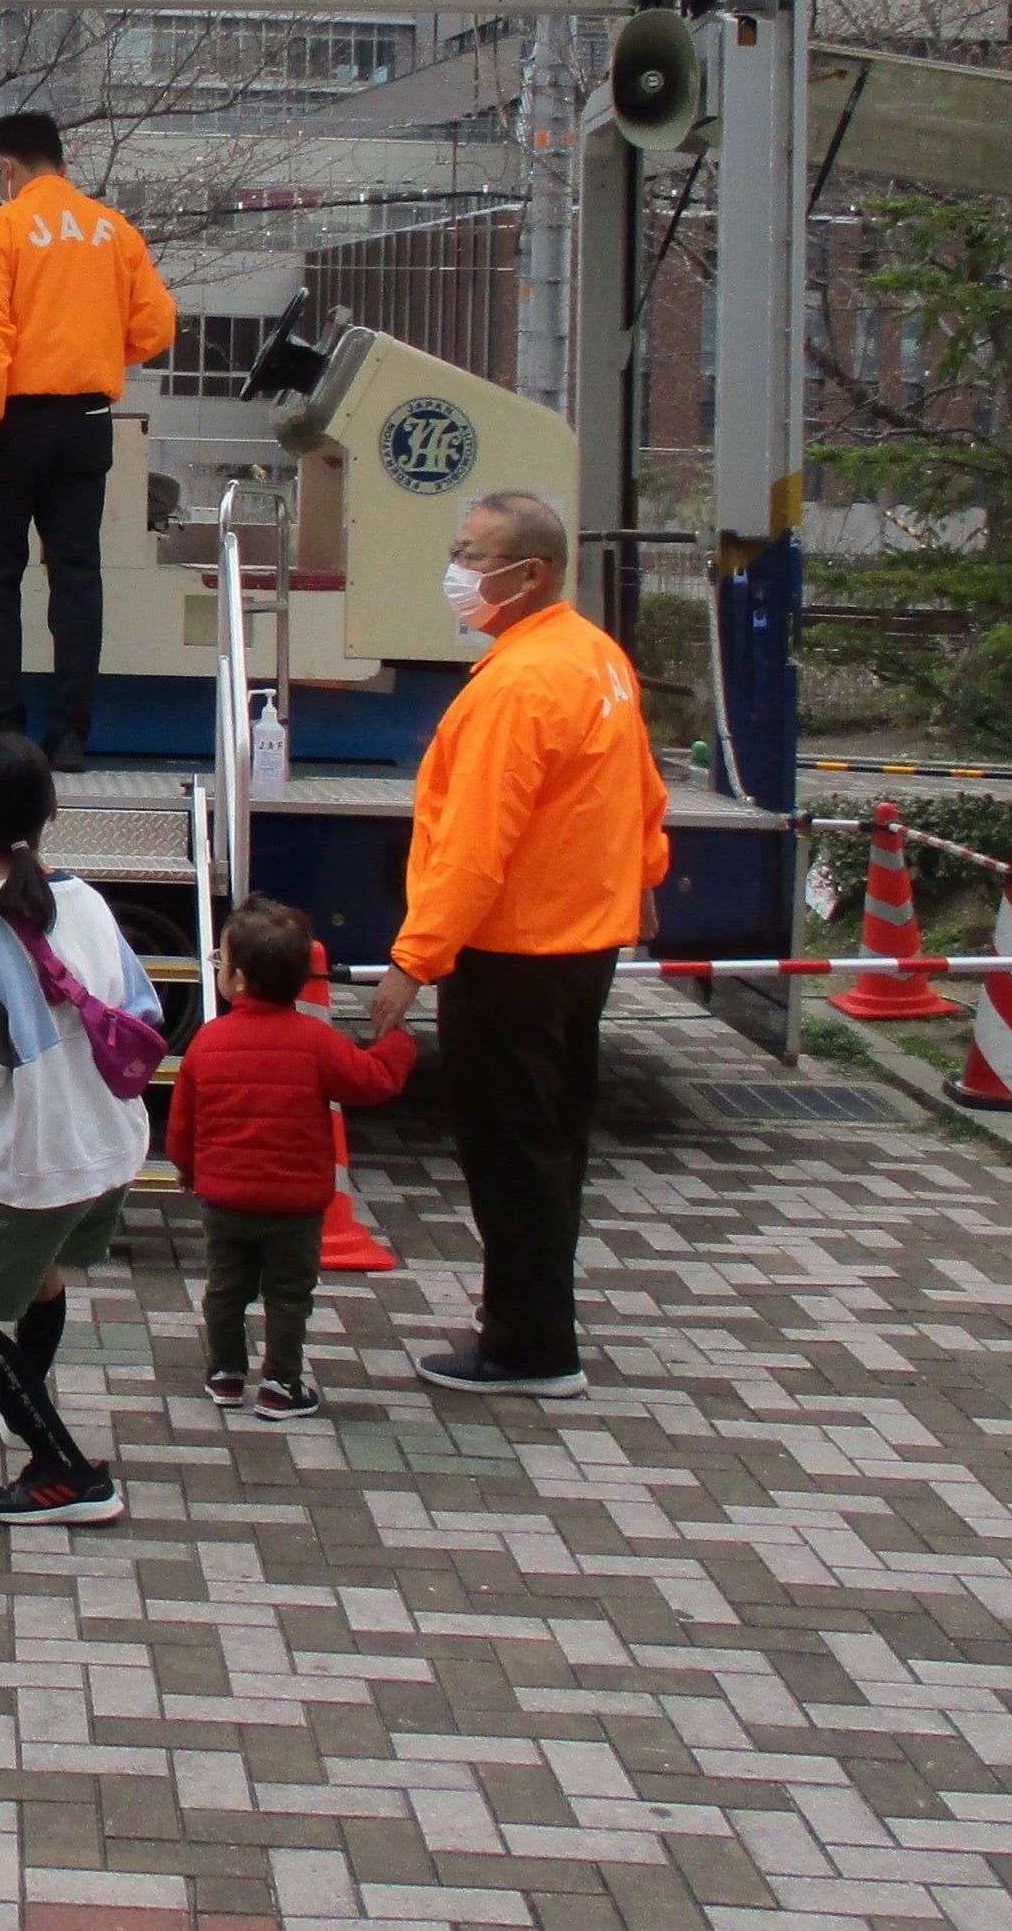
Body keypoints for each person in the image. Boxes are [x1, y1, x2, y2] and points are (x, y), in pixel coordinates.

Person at [361, 489, 668, 1400]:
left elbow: (473, 845)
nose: (458, 570)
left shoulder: (520, 683)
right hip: (582, 946)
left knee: (513, 1153)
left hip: (515, 953)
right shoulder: (594, 658)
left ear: (529, 573)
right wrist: (645, 881)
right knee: (552, 1140)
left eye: (473, 553)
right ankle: (533, 1327)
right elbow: (643, 793)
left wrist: (414, 961)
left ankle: (531, 1346)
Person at [0, 731, 160, 1527]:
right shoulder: (90, 902)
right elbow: (144, 1011)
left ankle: (63, 1466)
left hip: (41, 1155)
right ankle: (26, 1406)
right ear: (53, 810)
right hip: (113, 1141)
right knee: (44, 1271)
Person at [0, 111, 175, 772]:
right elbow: (159, 324)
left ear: (7, 168)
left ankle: (2, 733)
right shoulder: (113, 229)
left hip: (14, 421)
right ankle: (71, 735)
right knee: (76, 577)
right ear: (61, 159)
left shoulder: (3, 226)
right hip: (85, 423)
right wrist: (107, 348)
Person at [164, 897, 414, 1418]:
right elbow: (370, 1082)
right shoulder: (316, 1039)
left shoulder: (208, 1041)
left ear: (237, 980)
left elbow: (183, 1122)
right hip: (295, 1203)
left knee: (226, 1288)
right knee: (288, 1293)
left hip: (225, 1200)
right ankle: (281, 1382)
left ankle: (226, 1373)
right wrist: (396, 1047)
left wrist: (189, 1168)